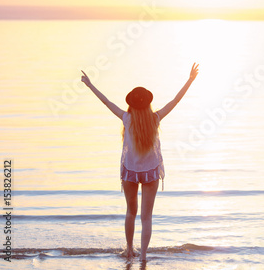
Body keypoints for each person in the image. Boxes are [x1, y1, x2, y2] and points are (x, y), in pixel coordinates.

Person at [81, 63, 199, 261]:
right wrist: (190, 80)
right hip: (151, 172)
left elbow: (106, 102)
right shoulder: (155, 119)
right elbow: (175, 101)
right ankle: (143, 256)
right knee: (147, 217)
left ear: (131, 104)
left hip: (130, 171)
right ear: (148, 104)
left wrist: (90, 85)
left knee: (130, 213)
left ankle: (129, 250)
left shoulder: (126, 118)